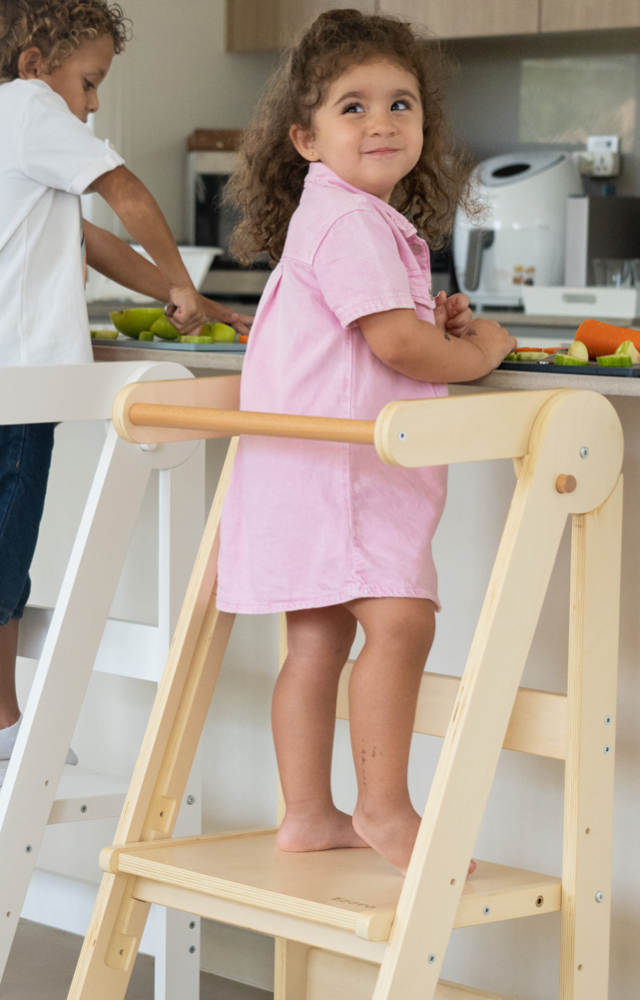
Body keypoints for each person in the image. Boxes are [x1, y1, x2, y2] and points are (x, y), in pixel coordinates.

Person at [0, 0, 252, 788]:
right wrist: (185, 279)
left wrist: (178, 297)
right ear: (32, 62)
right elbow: (125, 194)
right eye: (88, 83)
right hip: (11, 384)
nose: (90, 105)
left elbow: (88, 239)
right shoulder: (29, 108)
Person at [216, 9, 516, 874]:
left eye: (400, 103)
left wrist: (434, 319)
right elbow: (393, 346)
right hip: (346, 475)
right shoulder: (353, 223)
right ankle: (385, 809)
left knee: (317, 643)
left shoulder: (339, 217)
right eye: (353, 107)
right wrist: (477, 347)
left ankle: (310, 814)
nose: (381, 121)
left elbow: (383, 329)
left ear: (425, 126)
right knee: (401, 623)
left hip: (302, 470)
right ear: (306, 138)